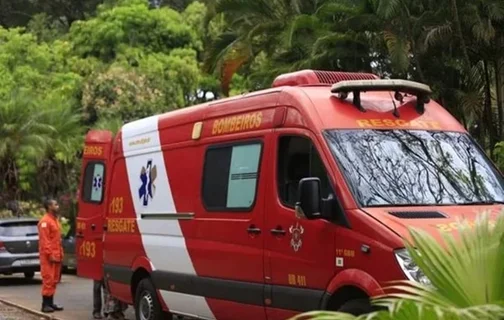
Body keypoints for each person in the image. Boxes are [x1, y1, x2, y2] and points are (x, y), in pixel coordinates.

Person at [38, 198, 64, 313]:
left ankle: (51, 303)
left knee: (54, 280)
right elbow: (45, 241)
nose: (57, 206)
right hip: (48, 256)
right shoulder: (45, 222)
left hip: (57, 254)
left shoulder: (55, 220)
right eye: (55, 204)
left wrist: (60, 253)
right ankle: (45, 304)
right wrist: (50, 254)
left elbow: (57, 240)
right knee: (48, 279)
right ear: (49, 207)